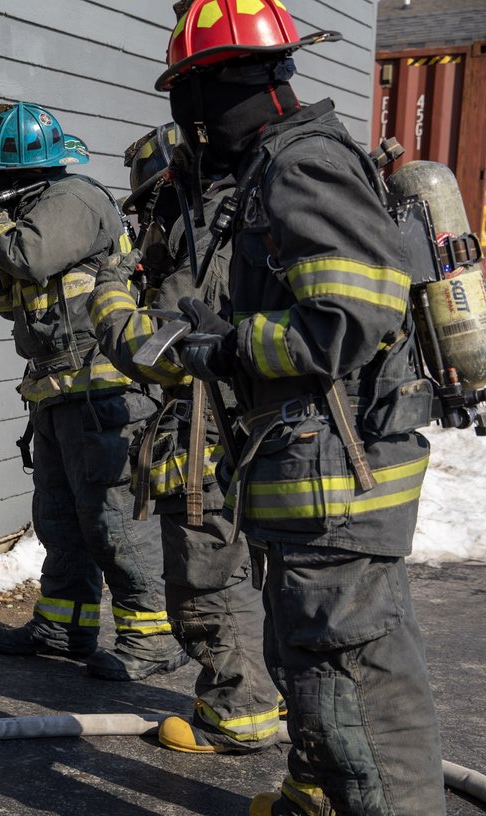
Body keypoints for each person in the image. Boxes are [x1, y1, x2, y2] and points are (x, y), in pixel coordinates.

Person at [157, 2, 445, 813]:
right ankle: (316, 799)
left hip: (338, 484)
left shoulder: (301, 164)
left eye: (193, 97)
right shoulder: (270, 166)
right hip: (311, 479)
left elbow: (352, 316)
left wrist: (231, 347)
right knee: (314, 672)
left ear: (224, 85)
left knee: (358, 692)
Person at [0, 102, 186, 681]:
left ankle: (153, 637)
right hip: (56, 388)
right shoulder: (28, 212)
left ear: (19, 171)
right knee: (59, 520)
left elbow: (29, 257)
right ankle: (65, 625)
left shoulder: (73, 199)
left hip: (103, 388)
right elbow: (8, 299)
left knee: (115, 520)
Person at [87, 123, 281, 753]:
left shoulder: (204, 246)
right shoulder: (250, 226)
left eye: (150, 209)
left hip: (210, 433)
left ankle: (239, 712)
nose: (147, 226)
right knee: (251, 572)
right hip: (254, 431)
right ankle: (268, 694)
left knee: (208, 579)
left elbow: (154, 349)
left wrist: (110, 291)